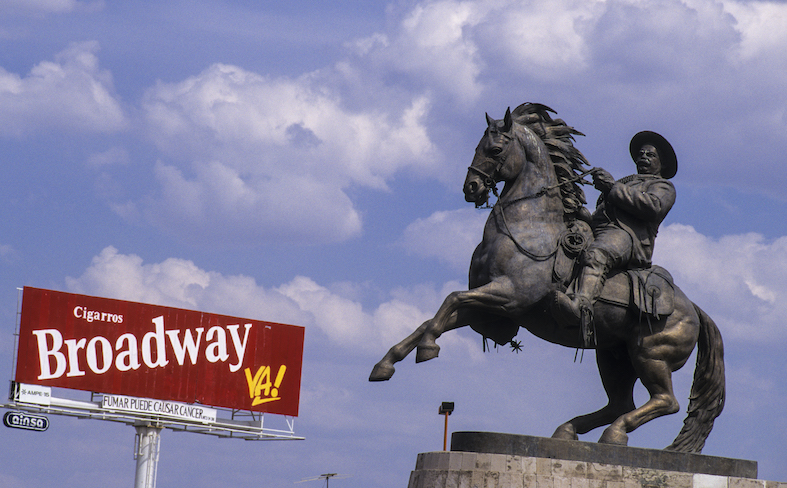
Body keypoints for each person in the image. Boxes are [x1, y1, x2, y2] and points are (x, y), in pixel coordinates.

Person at [551, 131, 678, 328]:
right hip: (601, 231)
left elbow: (653, 207)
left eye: (650, 155)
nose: (643, 157)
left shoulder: (663, 186)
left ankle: (580, 304)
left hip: (629, 237)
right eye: (641, 154)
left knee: (596, 254)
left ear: (663, 163)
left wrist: (611, 187)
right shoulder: (626, 182)